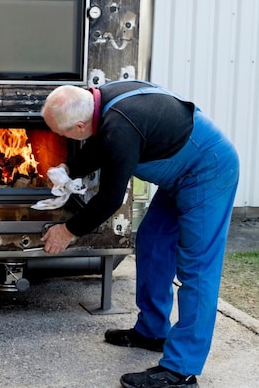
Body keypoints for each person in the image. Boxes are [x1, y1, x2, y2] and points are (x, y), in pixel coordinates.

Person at [40, 80, 239, 388]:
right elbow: (100, 143)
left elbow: (110, 199)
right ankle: (152, 331)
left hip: (208, 170)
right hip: (182, 174)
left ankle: (181, 370)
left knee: (197, 270)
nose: (63, 138)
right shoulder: (102, 101)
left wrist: (67, 231)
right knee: (153, 241)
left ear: (79, 126)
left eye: (64, 135)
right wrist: (68, 168)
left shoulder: (120, 127)